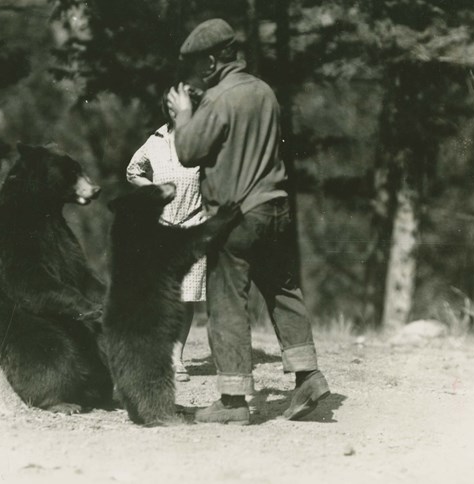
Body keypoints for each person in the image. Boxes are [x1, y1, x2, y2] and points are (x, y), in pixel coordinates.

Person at [167, 18, 330, 424]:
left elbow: (187, 152)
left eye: (193, 66)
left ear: (208, 63)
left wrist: (184, 115)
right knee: (282, 289)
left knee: (225, 302)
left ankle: (233, 401)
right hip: (275, 207)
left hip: (236, 215)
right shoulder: (262, 91)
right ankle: (309, 376)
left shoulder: (218, 100)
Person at [126, 89, 206, 382]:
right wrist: (152, 191)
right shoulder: (155, 141)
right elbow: (132, 171)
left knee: (187, 297)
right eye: (171, 107)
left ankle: (177, 358)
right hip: (161, 226)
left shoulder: (203, 142)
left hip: (194, 224)